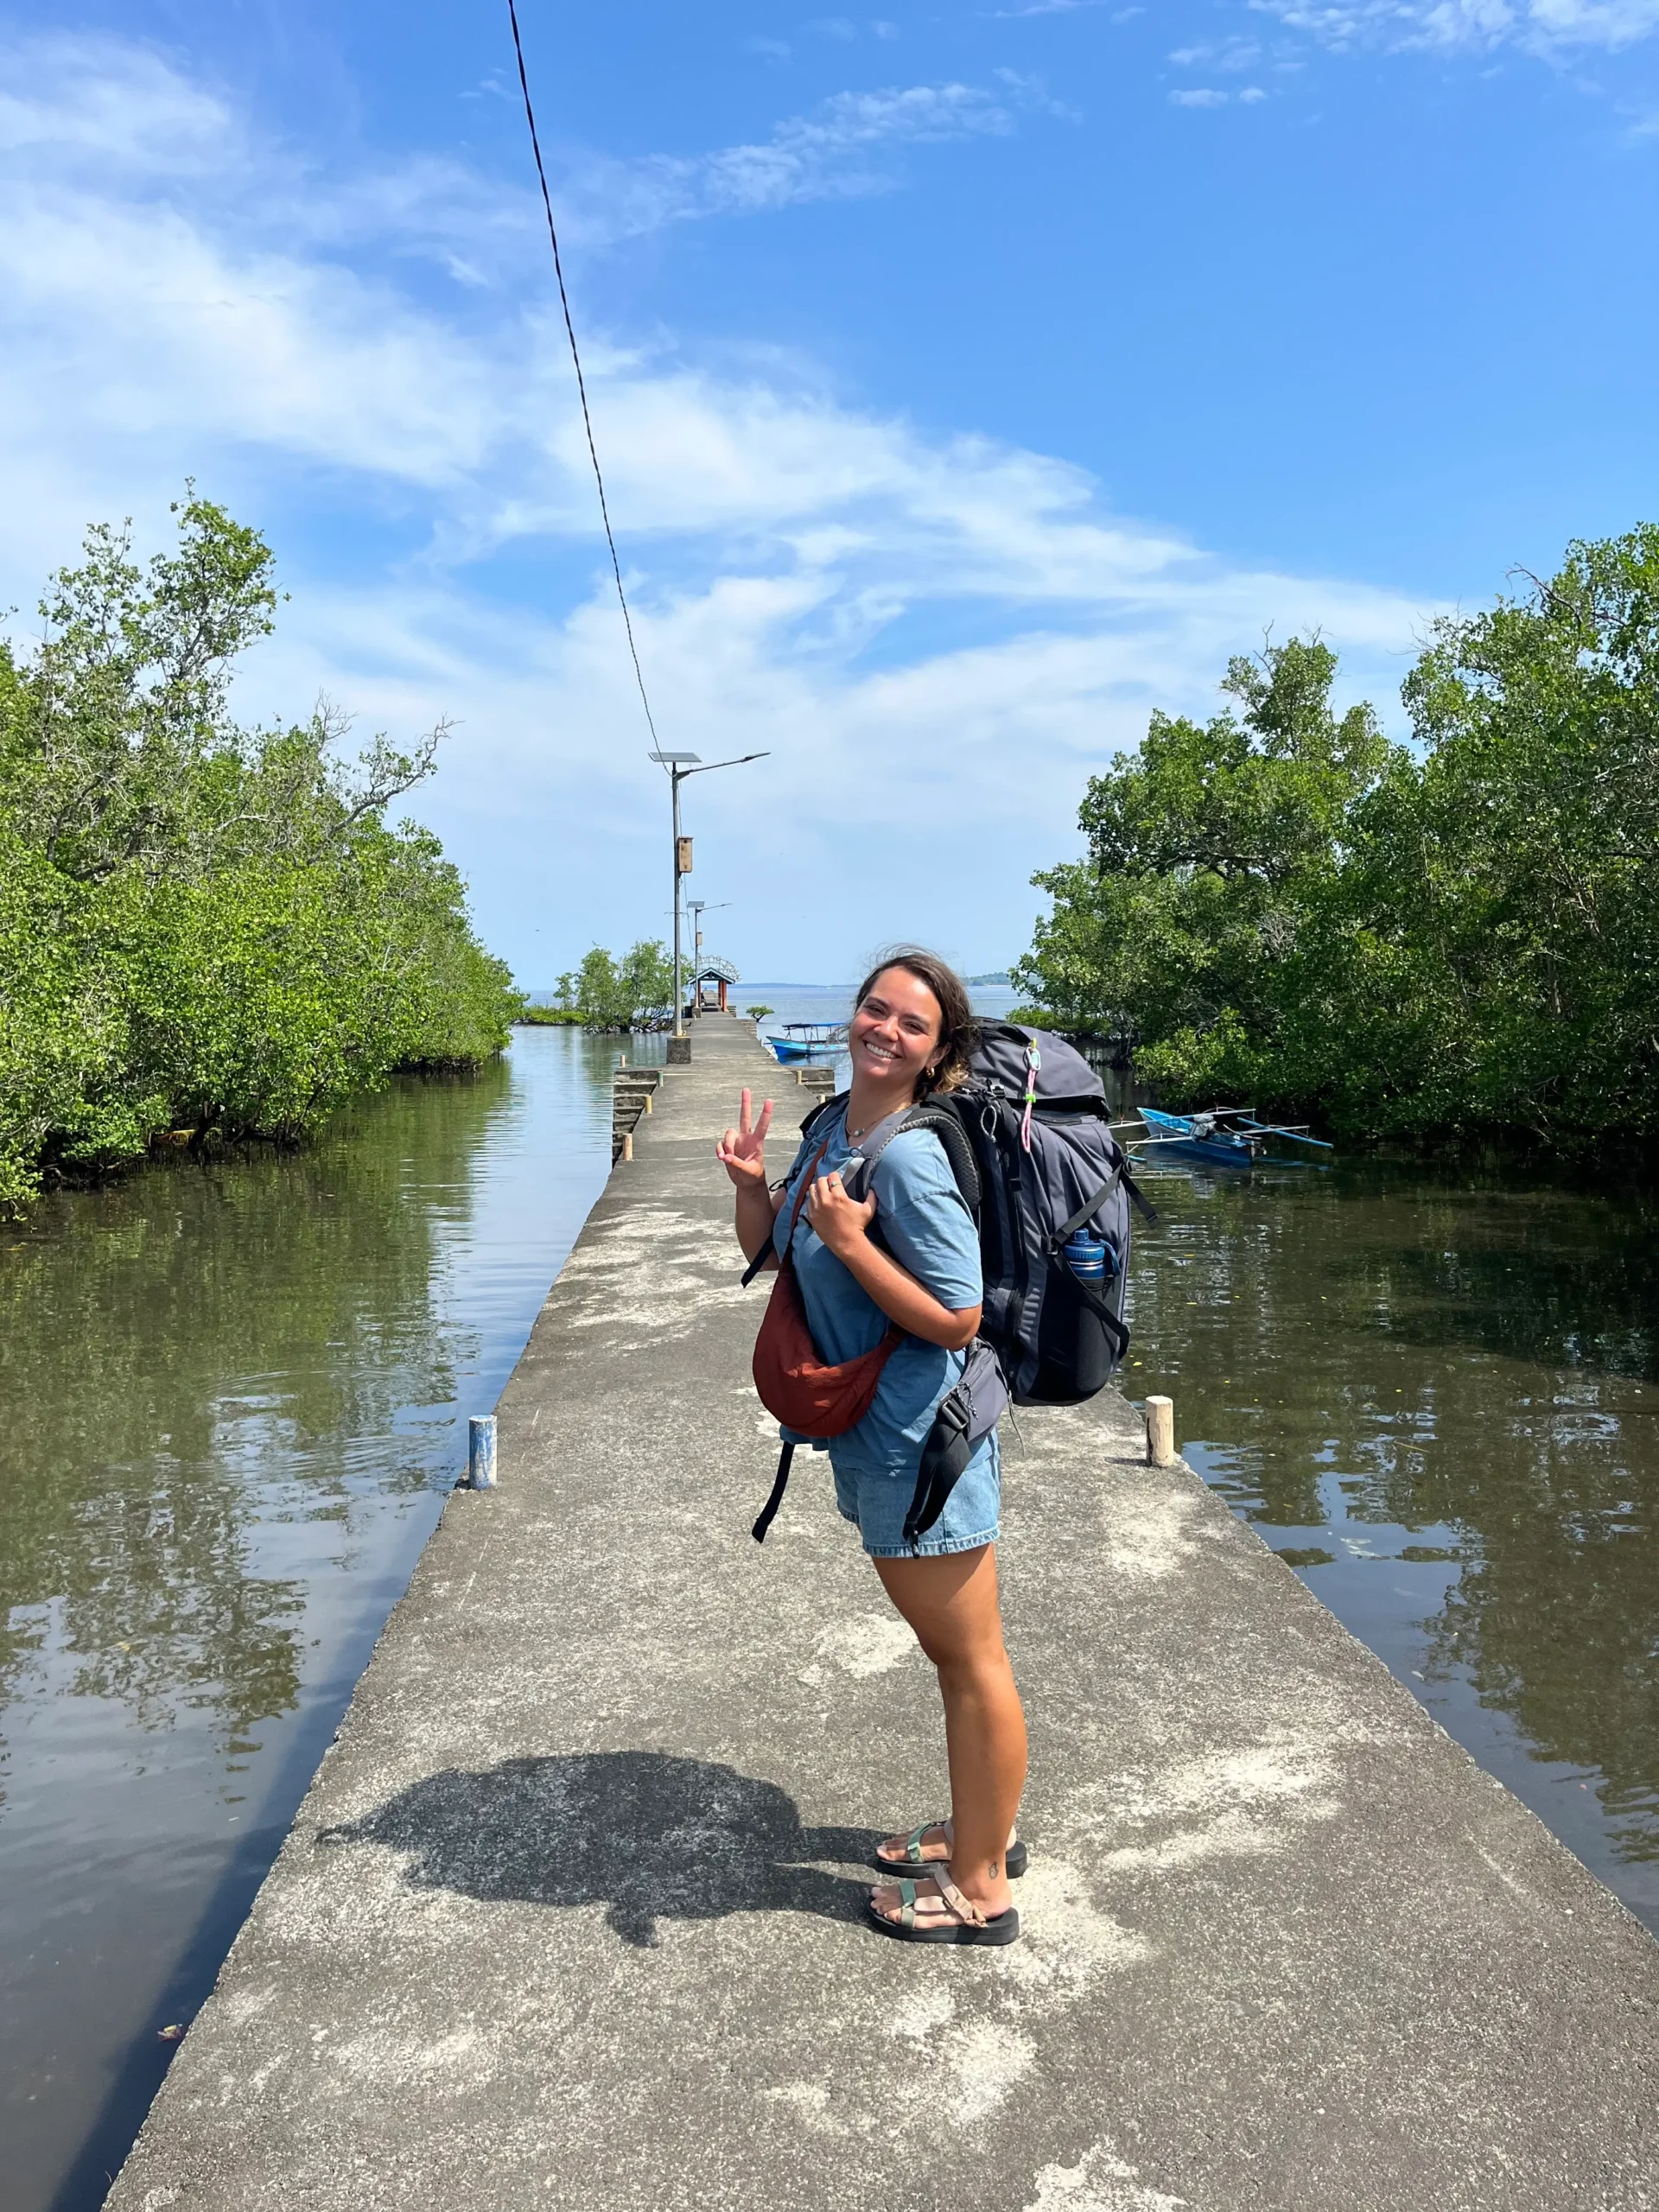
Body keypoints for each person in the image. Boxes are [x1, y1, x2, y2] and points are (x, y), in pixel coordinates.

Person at [716, 950, 1027, 1947]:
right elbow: (772, 1255)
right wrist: (753, 1187)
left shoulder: (904, 1155)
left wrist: (854, 1244)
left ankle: (981, 1883)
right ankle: (981, 1826)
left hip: (919, 1448)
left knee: (970, 1658)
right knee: (954, 1656)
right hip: (873, 1436)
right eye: (873, 1009)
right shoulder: (833, 1127)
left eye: (911, 1024)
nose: (883, 1030)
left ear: (939, 1054)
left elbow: (959, 1313)